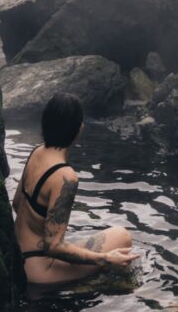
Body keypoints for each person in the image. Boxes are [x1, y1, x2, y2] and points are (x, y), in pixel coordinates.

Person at [12, 93, 139, 284]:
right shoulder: (65, 177)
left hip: (17, 253)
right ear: (78, 129)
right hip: (37, 270)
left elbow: (16, 204)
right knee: (122, 236)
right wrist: (105, 258)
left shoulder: (36, 152)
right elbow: (53, 247)